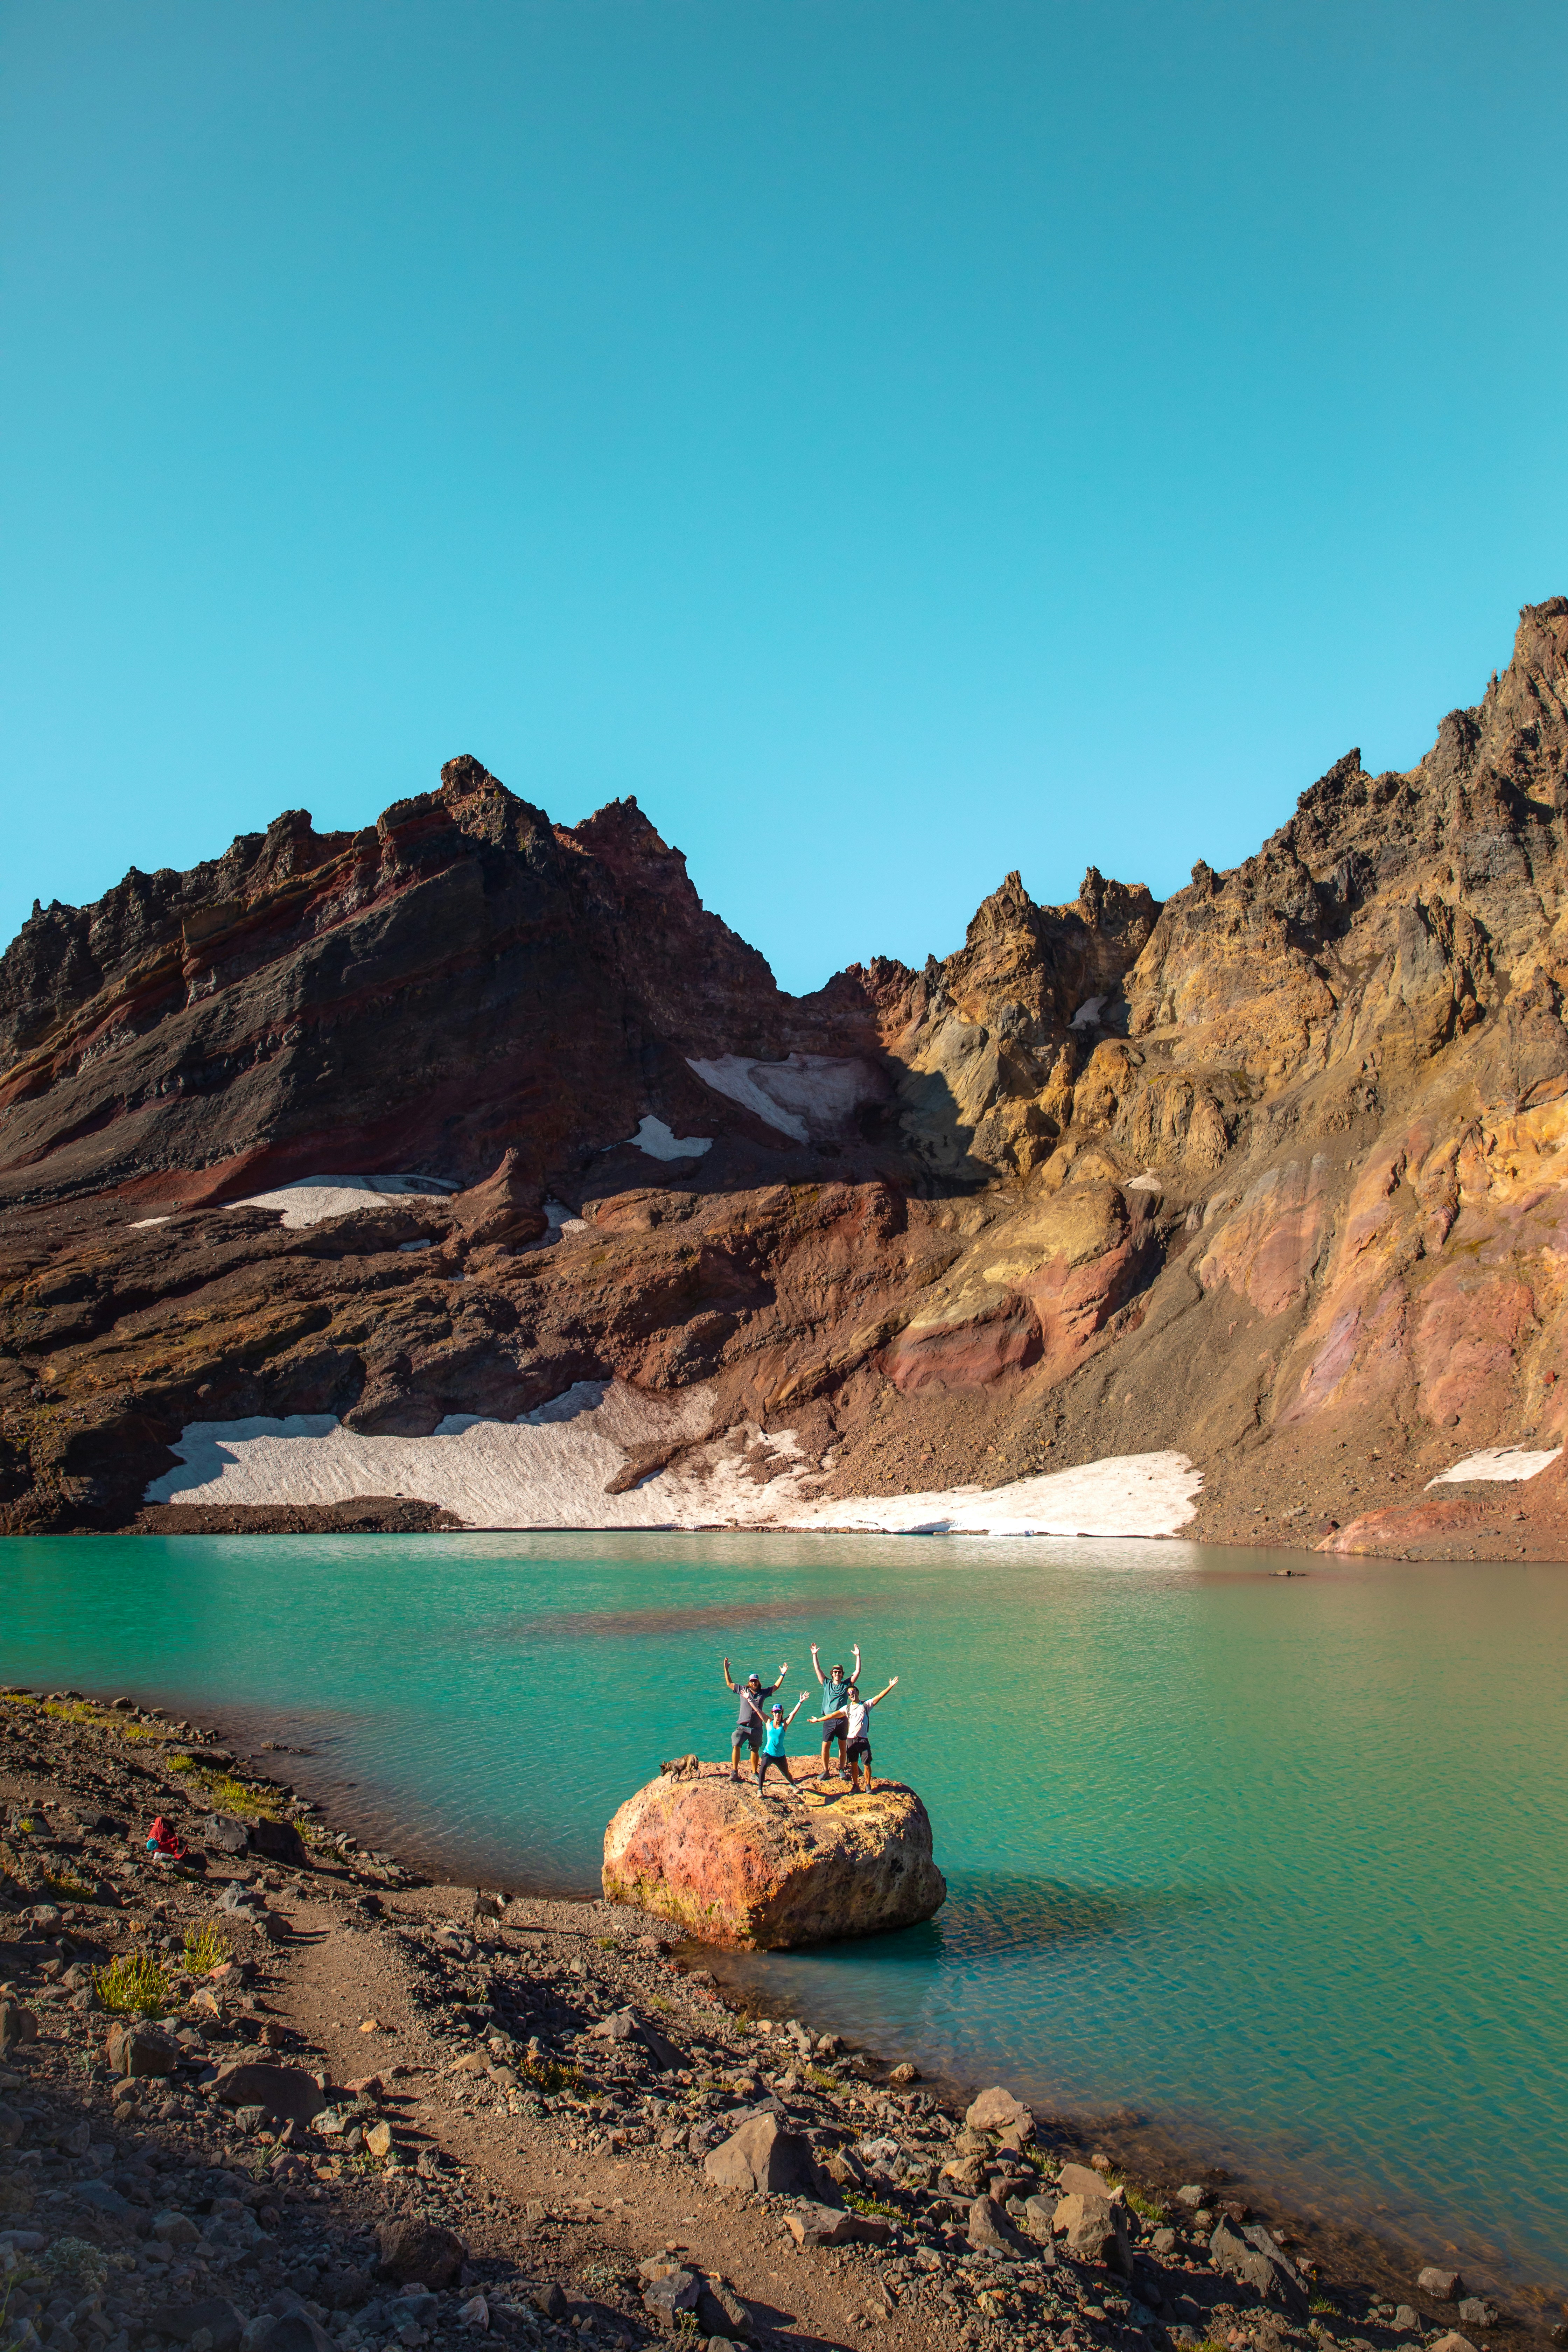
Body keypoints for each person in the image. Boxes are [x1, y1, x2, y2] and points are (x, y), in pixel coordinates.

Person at [813, 1674, 899, 1793]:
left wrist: (890, 1687)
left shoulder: (866, 1705)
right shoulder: (847, 1709)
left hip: (863, 1739)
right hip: (851, 1740)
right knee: (854, 1764)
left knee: (867, 1764)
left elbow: (879, 1696)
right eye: (849, 1694)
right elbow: (832, 1715)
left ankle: (868, 1785)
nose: (851, 1694)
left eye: (853, 1692)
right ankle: (856, 1785)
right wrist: (818, 1720)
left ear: (858, 1692)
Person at [722, 1657, 789, 1784]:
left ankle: (754, 1773)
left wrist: (783, 1674)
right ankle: (735, 1772)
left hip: (757, 1727)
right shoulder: (743, 1690)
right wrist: (726, 1669)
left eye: (755, 1681)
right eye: (752, 1681)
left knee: (755, 1749)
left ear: (758, 1682)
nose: (754, 1683)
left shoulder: (763, 1693)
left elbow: (776, 1687)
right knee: (736, 1744)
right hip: (743, 1727)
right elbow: (729, 1684)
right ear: (749, 1682)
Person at [810, 1640, 861, 1781]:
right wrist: (815, 1655)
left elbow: (857, 1672)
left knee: (842, 1746)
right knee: (825, 1746)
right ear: (832, 1674)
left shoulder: (846, 1685)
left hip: (843, 1719)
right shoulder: (826, 1683)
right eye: (835, 1672)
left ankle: (841, 1769)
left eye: (839, 1672)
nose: (837, 1674)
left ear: (842, 1674)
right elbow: (818, 1670)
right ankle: (826, 1770)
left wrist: (858, 1656)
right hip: (829, 1720)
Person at [756, 1693, 811, 1796]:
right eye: (776, 1712)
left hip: (780, 1755)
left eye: (779, 1712)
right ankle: (760, 1790)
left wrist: (800, 1702)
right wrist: (749, 1700)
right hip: (768, 1753)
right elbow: (758, 1711)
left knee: (786, 1773)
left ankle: (793, 1784)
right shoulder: (768, 1722)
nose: (777, 1714)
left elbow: (793, 1713)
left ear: (782, 1714)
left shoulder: (784, 1724)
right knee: (763, 1768)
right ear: (773, 1713)